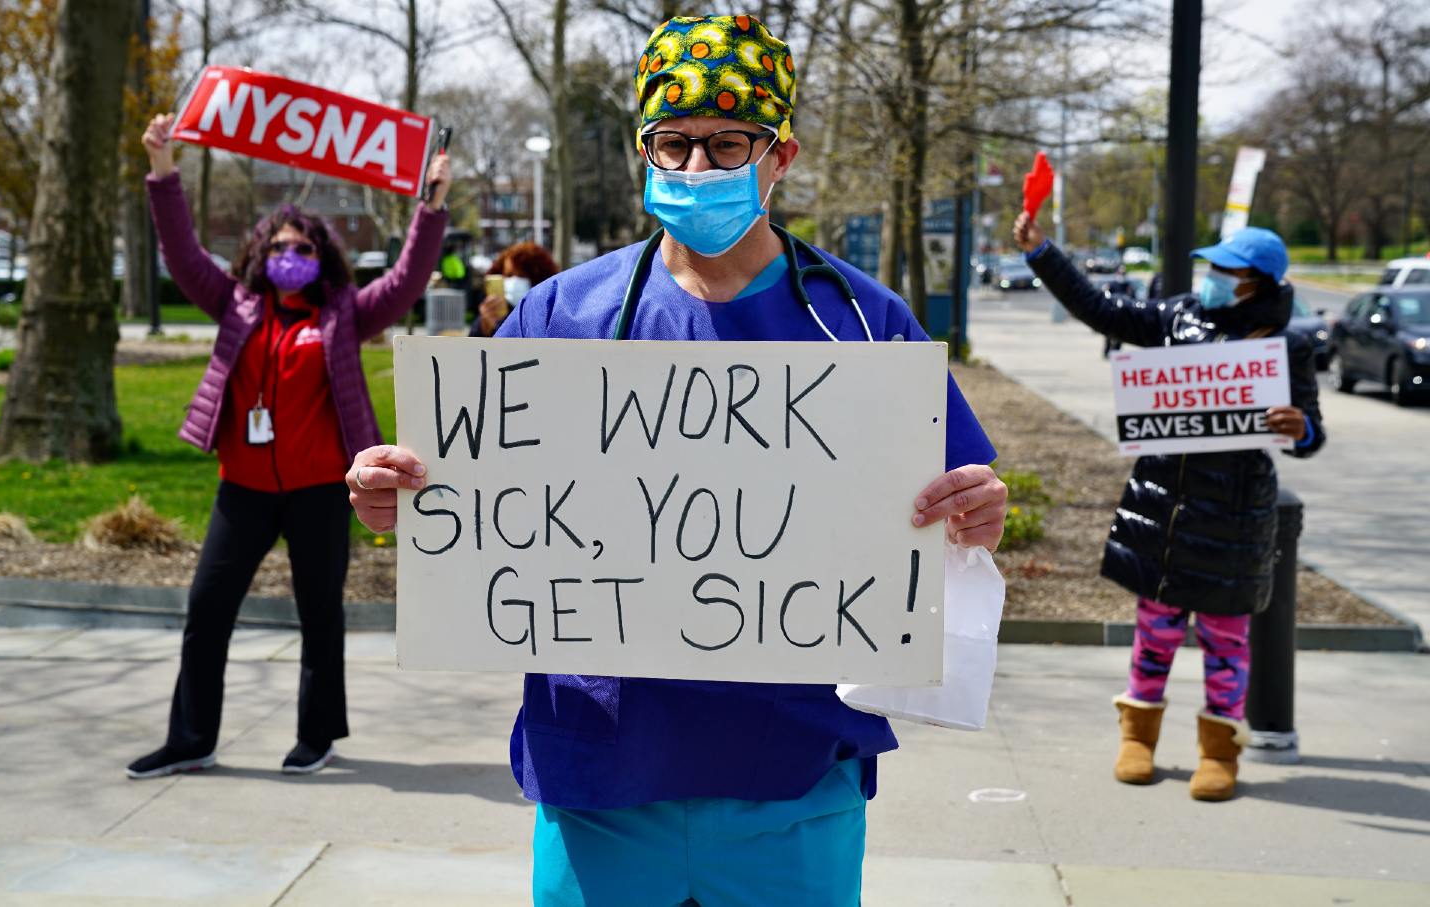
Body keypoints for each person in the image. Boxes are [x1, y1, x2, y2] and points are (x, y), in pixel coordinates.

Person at [346, 15, 1009, 905]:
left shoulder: (860, 320)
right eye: (673, 144)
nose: (696, 169)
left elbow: (959, 510)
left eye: (726, 142)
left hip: (793, 781)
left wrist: (976, 513)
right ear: (643, 153)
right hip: (601, 772)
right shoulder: (561, 315)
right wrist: (393, 498)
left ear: (781, 156)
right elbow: (467, 498)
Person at [125, 114, 452, 779]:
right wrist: (162, 169)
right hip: (242, 490)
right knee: (205, 610)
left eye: (301, 245)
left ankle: (318, 734)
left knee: (320, 616)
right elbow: (184, 253)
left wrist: (431, 205)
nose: (290, 254)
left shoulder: (344, 314)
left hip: (319, 493)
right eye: (279, 244)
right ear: (259, 252)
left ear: (320, 255)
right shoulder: (235, 304)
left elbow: (408, 279)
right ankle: (191, 738)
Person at [1013, 214, 1325, 802]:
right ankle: (1138, 738)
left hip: (1234, 519)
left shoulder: (1287, 347)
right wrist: (1043, 254)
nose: (1210, 277)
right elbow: (1103, 310)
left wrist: (1300, 427)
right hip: (1165, 507)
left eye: (1224, 270)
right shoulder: (1179, 315)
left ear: (1255, 281)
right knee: (1154, 633)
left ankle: (1218, 752)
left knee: (1226, 642)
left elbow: (1312, 436)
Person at [473, 241, 560, 337]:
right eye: (509, 275)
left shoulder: (552, 315)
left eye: (522, 276)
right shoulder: (496, 310)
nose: (514, 281)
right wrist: (483, 326)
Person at [1100, 265, 1135, 358]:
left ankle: (1116, 352)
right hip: (1112, 312)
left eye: (1124, 273)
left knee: (1120, 334)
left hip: (1123, 314)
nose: (1122, 275)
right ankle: (1107, 350)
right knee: (1108, 333)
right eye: (1121, 272)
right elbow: (1105, 296)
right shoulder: (1111, 284)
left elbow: (1133, 299)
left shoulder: (1128, 285)